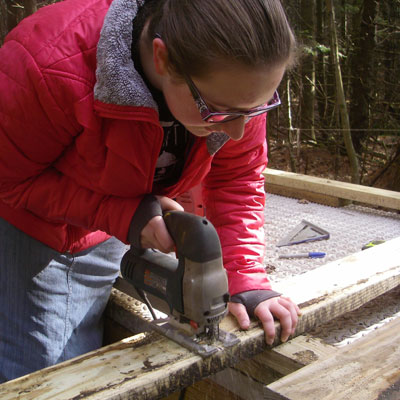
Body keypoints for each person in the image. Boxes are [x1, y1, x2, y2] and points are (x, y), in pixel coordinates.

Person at [0, 0, 301, 382]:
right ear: (163, 58)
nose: (239, 131)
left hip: (111, 208)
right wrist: (120, 214)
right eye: (220, 114)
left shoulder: (235, 86)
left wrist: (245, 277)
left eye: (257, 109)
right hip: (30, 220)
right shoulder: (47, 65)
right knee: (45, 371)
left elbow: (238, 175)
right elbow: (9, 180)